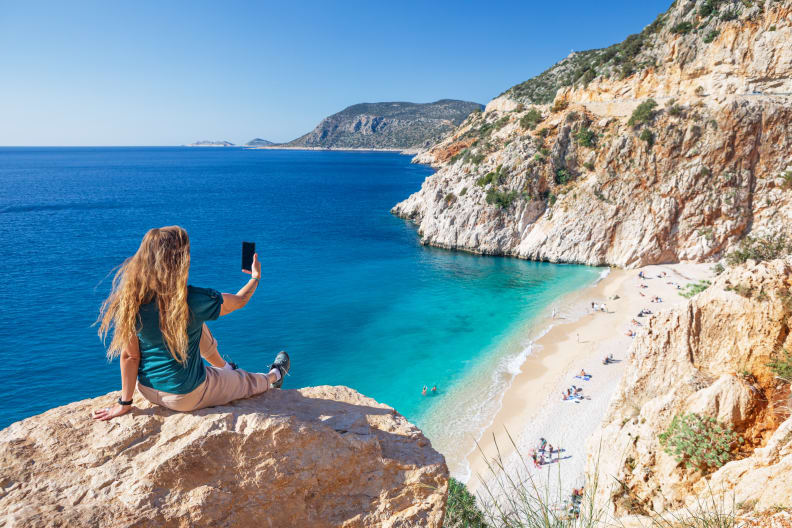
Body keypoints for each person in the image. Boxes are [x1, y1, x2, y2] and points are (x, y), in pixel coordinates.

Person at [93, 226, 290, 422]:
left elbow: (130, 356)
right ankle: (274, 376)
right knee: (243, 381)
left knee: (194, 323)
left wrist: (125, 402)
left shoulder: (131, 300)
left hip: (147, 389)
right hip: (186, 396)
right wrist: (255, 277)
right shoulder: (193, 300)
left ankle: (224, 367)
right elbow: (240, 300)